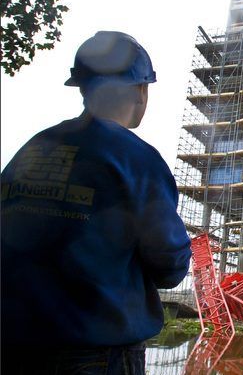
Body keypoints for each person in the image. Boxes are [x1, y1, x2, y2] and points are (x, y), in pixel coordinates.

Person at [1, 31, 192, 374]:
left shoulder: (31, 150)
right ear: (140, 91)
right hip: (97, 355)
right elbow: (170, 265)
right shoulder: (136, 159)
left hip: (14, 348)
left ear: (83, 88)